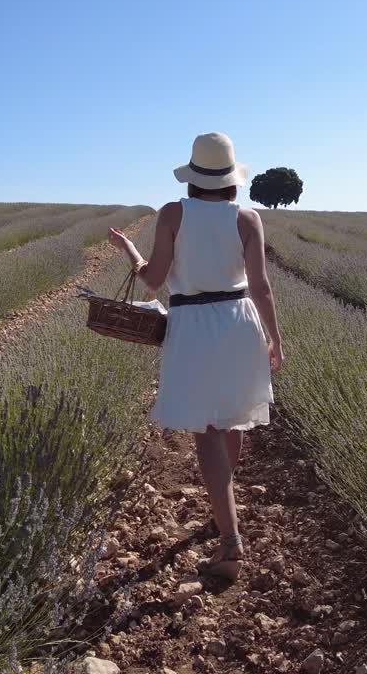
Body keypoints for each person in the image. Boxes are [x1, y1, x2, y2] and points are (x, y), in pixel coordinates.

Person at [108, 132, 283, 581]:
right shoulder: (248, 218)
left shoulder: (172, 214)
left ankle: (229, 541)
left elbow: (152, 280)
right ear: (230, 178)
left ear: (192, 176)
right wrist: (275, 339)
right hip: (241, 323)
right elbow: (261, 286)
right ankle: (222, 515)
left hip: (195, 328)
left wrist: (129, 251)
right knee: (233, 419)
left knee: (206, 432)